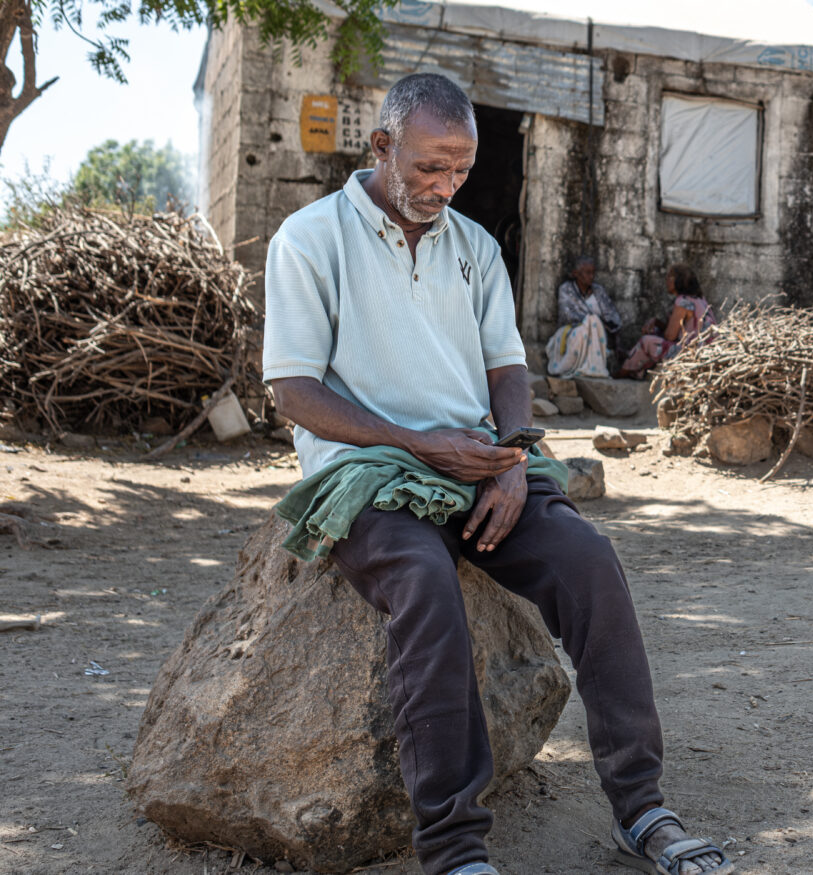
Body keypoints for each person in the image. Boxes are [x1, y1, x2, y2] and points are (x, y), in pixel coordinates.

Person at [262, 72, 733, 875]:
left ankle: (642, 805)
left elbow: (506, 367)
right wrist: (419, 444)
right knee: (424, 582)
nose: (444, 187)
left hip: (477, 460)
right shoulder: (309, 239)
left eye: (460, 172)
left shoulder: (476, 248)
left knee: (590, 564)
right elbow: (293, 390)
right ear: (381, 147)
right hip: (369, 470)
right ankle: (454, 849)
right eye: (426, 169)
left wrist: (513, 458)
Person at [616, 264, 716, 378]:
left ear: (679, 281)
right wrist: (656, 322)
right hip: (705, 351)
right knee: (655, 332)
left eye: (670, 277)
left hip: (692, 354)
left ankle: (623, 371)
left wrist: (655, 328)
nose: (666, 280)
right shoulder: (699, 298)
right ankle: (633, 363)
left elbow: (670, 336)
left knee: (647, 341)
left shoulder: (682, 302)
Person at [544, 256, 622, 378]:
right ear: (576, 274)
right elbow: (567, 315)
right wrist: (589, 321)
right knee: (584, 329)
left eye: (593, 273)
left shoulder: (599, 291)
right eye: (587, 273)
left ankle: (594, 367)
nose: (591, 276)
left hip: (598, 333)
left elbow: (613, 317)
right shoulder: (566, 289)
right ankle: (576, 367)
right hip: (571, 330)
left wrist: (599, 324)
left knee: (594, 322)